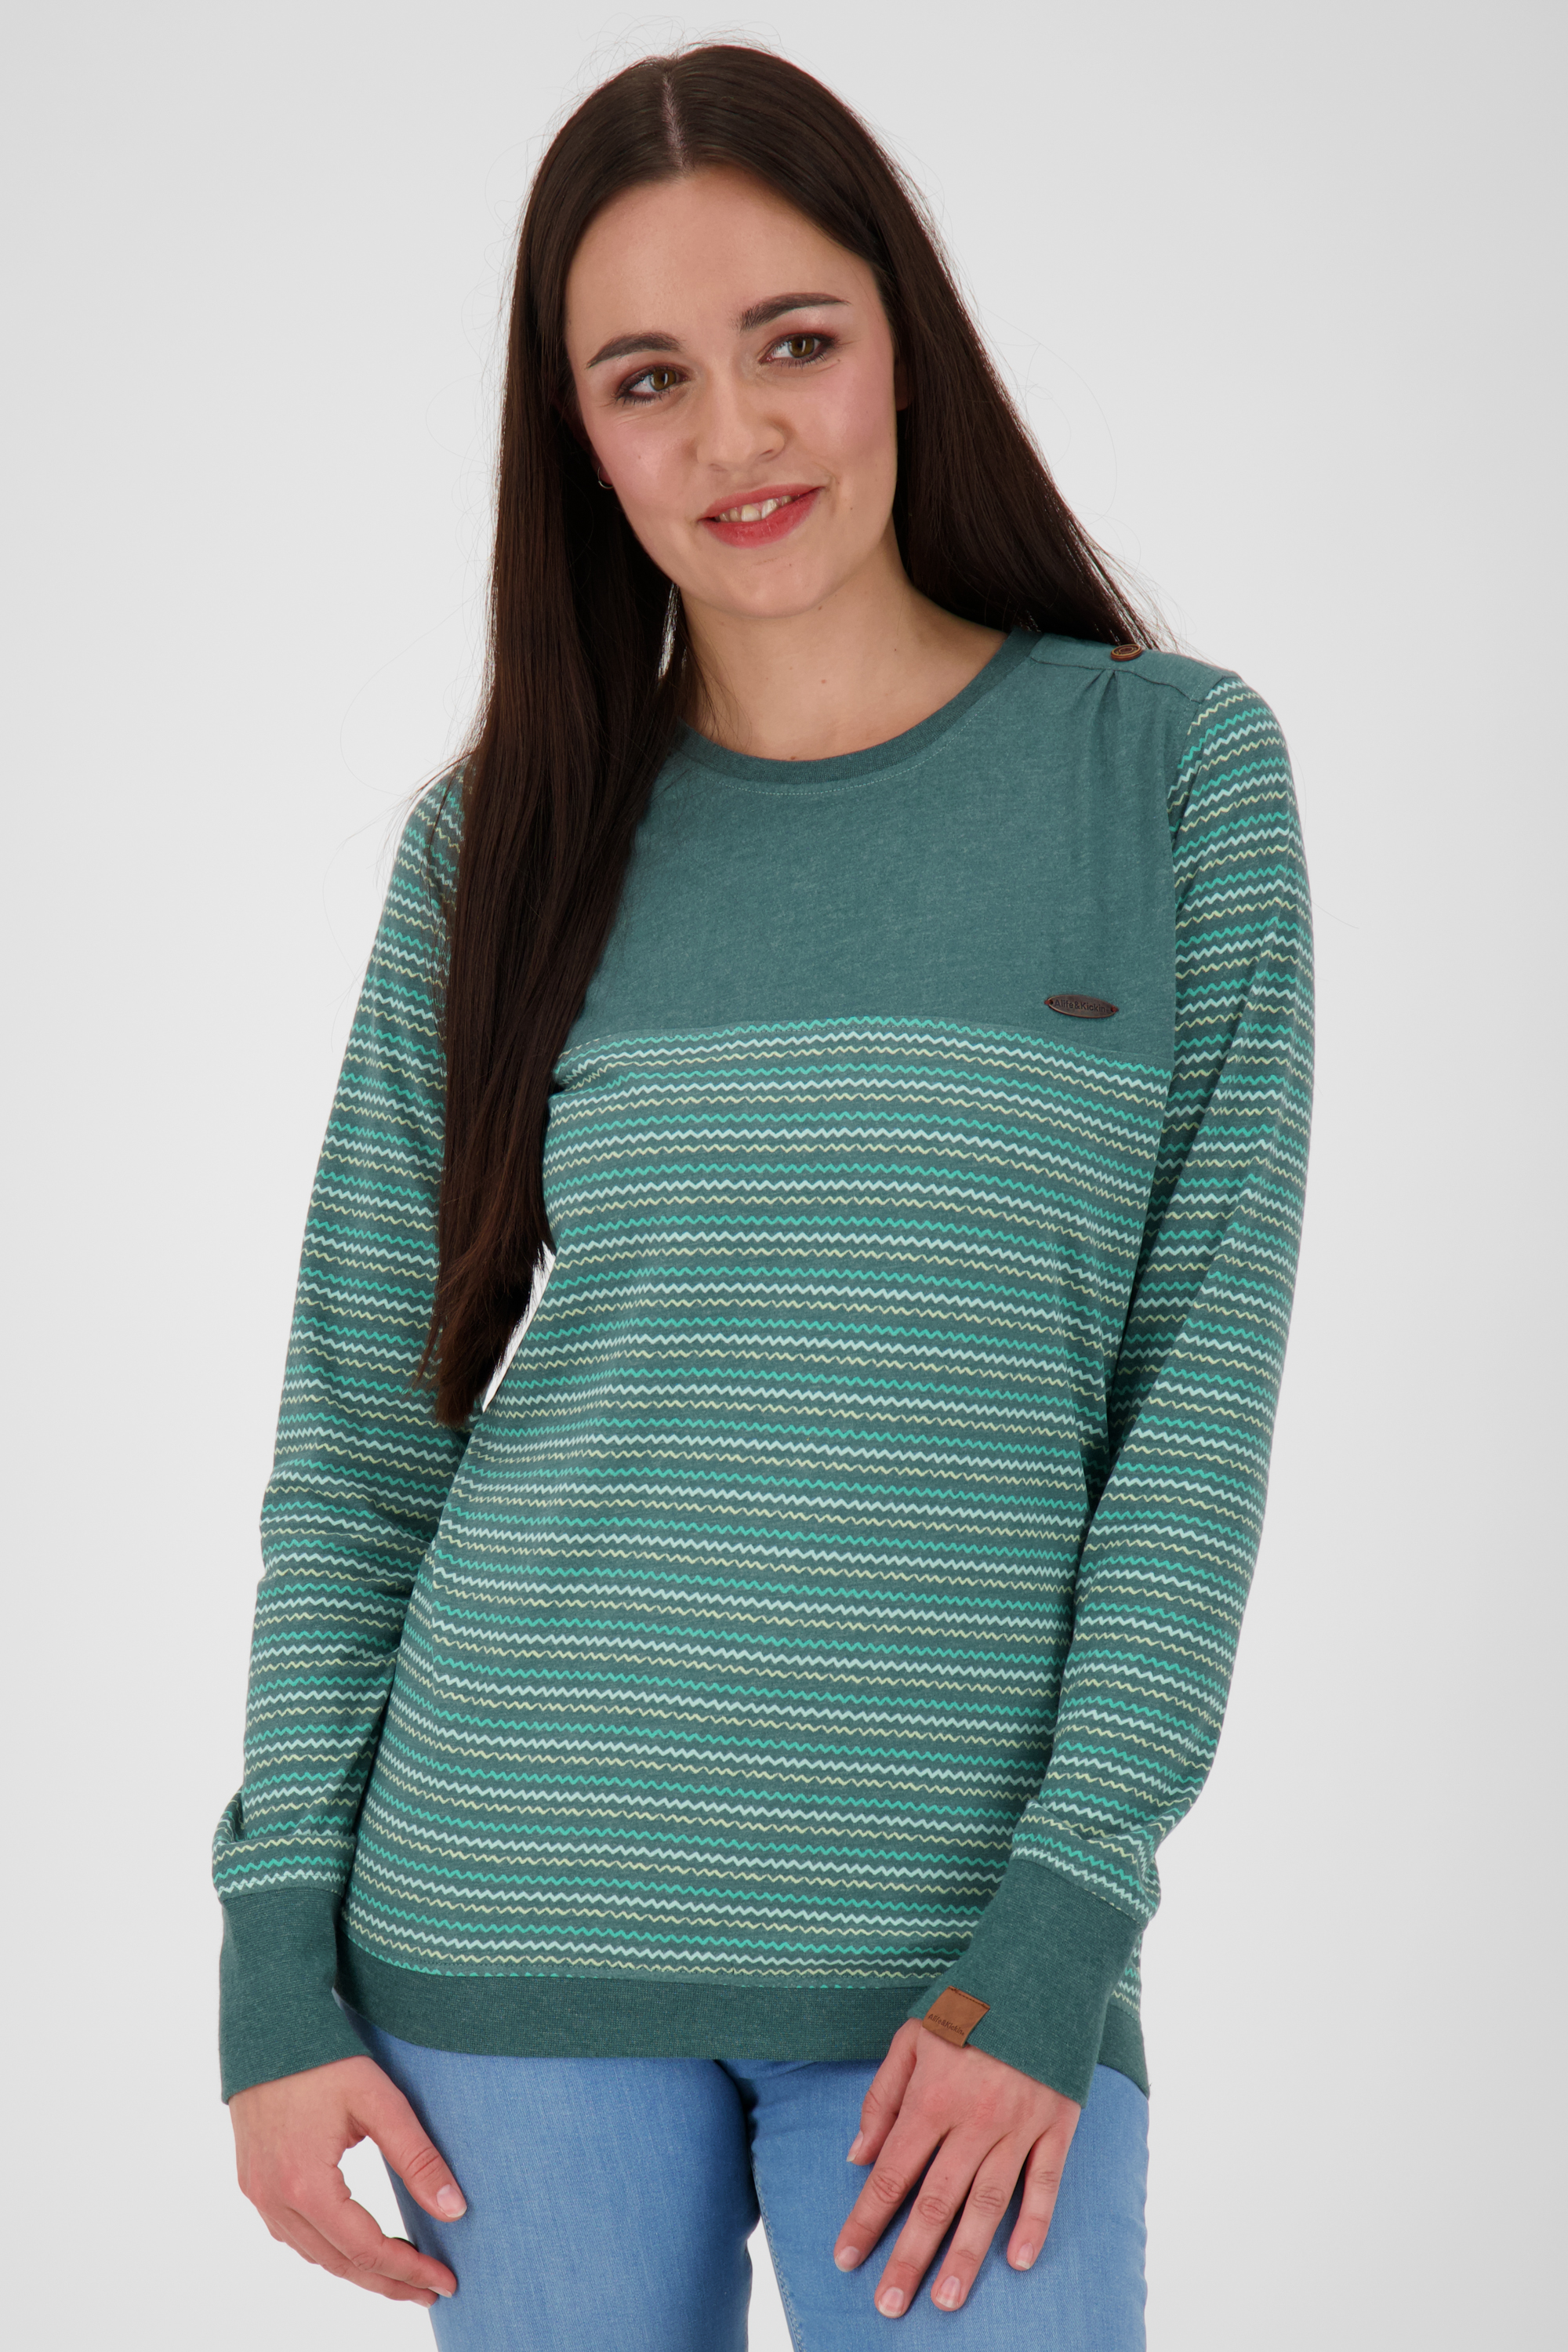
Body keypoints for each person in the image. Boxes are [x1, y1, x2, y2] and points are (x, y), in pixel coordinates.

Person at [216, 42, 1312, 2351]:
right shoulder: (497, 843)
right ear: (580, 436)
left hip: (961, 1974)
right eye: (649, 380)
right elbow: (361, 1421)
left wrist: (1057, 1933)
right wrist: (273, 1956)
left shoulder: (1166, 771)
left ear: (902, 338)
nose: (736, 435)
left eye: (791, 341)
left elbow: (1190, 1411)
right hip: (502, 1923)